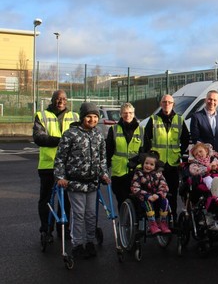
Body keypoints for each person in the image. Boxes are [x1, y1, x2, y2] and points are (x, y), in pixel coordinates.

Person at [54, 102, 111, 259]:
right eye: (88, 116)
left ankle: (90, 242)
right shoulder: (70, 134)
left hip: (92, 182)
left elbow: (102, 159)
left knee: (91, 214)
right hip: (75, 182)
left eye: (94, 117)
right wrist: (60, 177)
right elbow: (60, 158)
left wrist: (104, 174)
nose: (92, 120)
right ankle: (77, 244)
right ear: (82, 117)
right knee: (78, 214)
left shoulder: (98, 135)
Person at [33, 89, 79, 243]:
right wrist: (62, 141)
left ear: (67, 101)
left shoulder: (74, 116)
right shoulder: (42, 115)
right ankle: (46, 229)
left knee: (66, 200)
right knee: (46, 199)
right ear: (52, 100)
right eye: (58, 99)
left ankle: (63, 229)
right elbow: (39, 138)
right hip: (48, 165)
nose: (61, 101)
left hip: (68, 166)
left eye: (64, 99)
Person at [144, 94, 190, 220]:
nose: (167, 104)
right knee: (157, 193)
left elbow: (186, 138)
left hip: (173, 164)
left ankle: (172, 217)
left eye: (169, 102)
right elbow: (147, 140)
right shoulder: (153, 119)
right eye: (164, 102)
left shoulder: (179, 120)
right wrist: (151, 157)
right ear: (160, 104)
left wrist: (180, 152)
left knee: (172, 193)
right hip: (158, 164)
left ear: (173, 104)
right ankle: (159, 218)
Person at [106, 102, 144, 209]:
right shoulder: (113, 130)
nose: (128, 115)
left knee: (136, 200)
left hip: (135, 171)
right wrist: (104, 170)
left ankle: (133, 224)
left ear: (134, 113)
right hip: (119, 172)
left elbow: (144, 151)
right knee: (121, 200)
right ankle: (123, 223)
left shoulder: (141, 130)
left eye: (130, 113)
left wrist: (136, 161)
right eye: (125, 113)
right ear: (121, 114)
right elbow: (108, 151)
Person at [130, 151, 171, 234]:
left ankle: (163, 222)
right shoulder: (139, 174)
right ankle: (152, 223)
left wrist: (158, 194)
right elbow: (135, 187)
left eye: (151, 164)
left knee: (165, 201)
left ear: (155, 166)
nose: (148, 166)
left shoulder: (159, 174)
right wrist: (147, 196)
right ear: (143, 163)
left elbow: (164, 186)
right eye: (146, 163)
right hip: (144, 198)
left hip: (156, 196)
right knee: (147, 203)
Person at [190, 90, 218, 164]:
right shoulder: (196, 116)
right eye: (210, 99)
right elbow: (195, 137)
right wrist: (210, 151)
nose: (212, 102)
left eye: (215, 100)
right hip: (203, 158)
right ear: (205, 100)